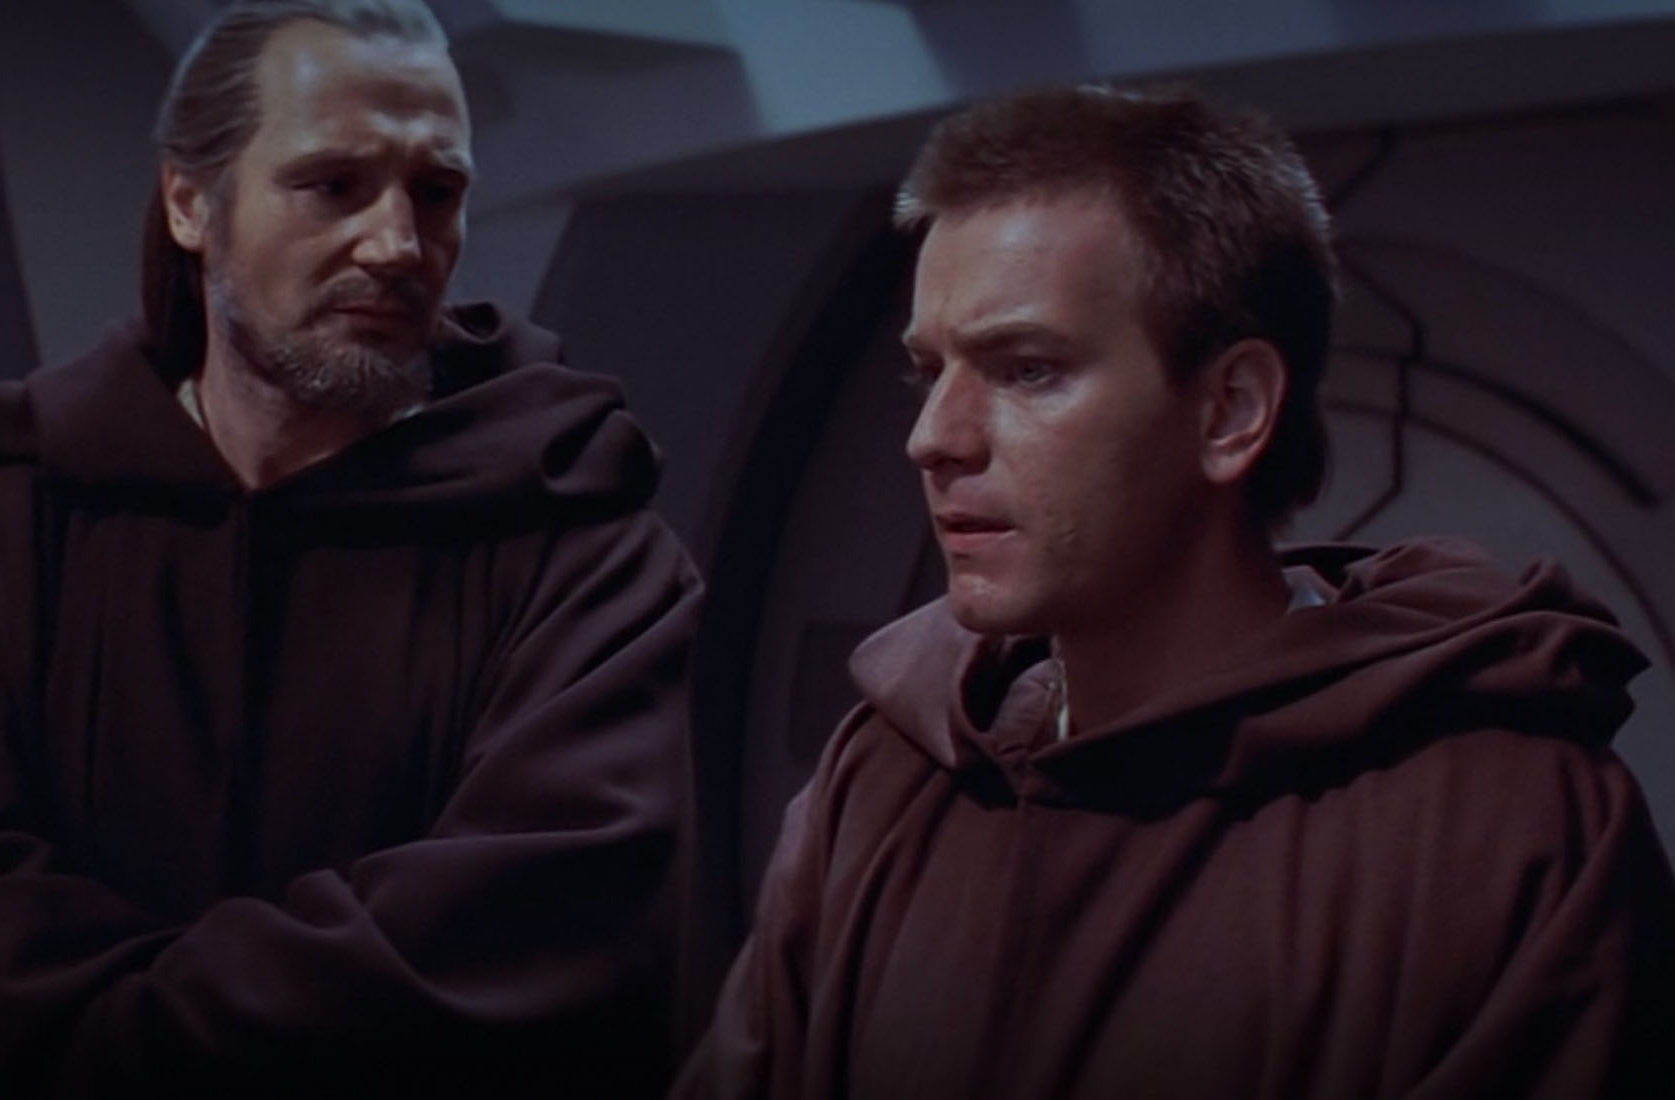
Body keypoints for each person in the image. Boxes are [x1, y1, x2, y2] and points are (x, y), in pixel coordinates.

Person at [673, 84, 1675, 1099]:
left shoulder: (1510, 831)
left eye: (1026, 369)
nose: (933, 436)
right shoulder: (885, 778)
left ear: (1230, 410)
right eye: (928, 371)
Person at [0, 2, 701, 1097]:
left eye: (436, 191)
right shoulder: (10, 536)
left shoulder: (592, 558)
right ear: (192, 203)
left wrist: (77, 1038)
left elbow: (538, 950)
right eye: (332, 185)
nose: (397, 243)